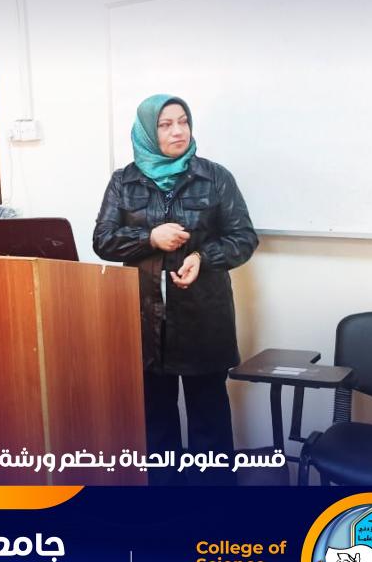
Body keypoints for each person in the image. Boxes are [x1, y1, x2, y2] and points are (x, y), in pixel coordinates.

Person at [93, 95, 258, 485]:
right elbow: (103, 240)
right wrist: (149, 237)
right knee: (157, 424)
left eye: (183, 121)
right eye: (165, 125)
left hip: (204, 319)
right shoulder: (123, 182)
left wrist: (202, 256)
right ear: (147, 132)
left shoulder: (215, 178)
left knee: (209, 423)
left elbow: (244, 238)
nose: (178, 131)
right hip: (145, 322)